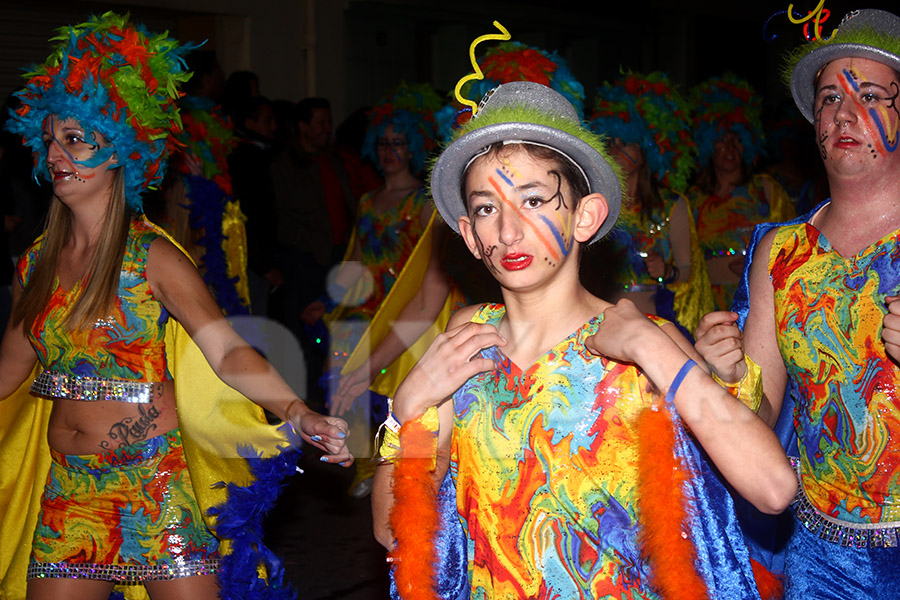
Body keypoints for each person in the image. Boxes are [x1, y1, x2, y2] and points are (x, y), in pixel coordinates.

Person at [370, 74, 797, 598]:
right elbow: (394, 531)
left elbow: (773, 489)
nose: (508, 232)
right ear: (469, 235)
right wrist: (406, 409)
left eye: (533, 200)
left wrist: (650, 348)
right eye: (486, 208)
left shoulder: (647, 345)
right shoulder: (467, 340)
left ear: (584, 216)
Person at [0, 13, 351, 600]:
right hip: (69, 496)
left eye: (77, 139)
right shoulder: (34, 264)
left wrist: (298, 411)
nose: (58, 153)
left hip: (152, 489)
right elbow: (11, 367)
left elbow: (228, 352)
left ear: (118, 152)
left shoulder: (152, 258)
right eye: (52, 138)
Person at [694, 9, 900, 599]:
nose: (845, 111)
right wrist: (728, 378)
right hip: (821, 563)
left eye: (871, 95)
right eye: (830, 95)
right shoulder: (780, 253)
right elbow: (760, 419)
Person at [311, 82, 463, 497]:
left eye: (398, 142)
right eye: (382, 142)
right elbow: (355, 260)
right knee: (354, 388)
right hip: (369, 307)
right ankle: (366, 468)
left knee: (400, 390)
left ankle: (398, 470)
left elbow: (428, 278)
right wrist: (328, 301)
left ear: (413, 146)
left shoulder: (426, 203)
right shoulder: (367, 200)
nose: (389, 150)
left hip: (407, 307)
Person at [587, 71, 712, 336]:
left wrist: (666, 270)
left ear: (647, 150)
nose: (616, 151)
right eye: (610, 143)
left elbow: (690, 273)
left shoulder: (671, 205)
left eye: (627, 143)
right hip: (602, 325)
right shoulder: (594, 206)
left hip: (656, 326)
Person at [687, 74, 794, 311]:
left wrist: (753, 262)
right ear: (708, 144)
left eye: (736, 139)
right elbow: (686, 261)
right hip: (709, 305)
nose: (729, 148)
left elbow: (792, 244)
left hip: (757, 302)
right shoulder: (695, 199)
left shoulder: (767, 190)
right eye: (721, 140)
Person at [270, 97, 356, 341]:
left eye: (329, 122)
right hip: (306, 261)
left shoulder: (333, 160)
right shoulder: (285, 165)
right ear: (303, 127)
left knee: (337, 330)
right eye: (321, 123)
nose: (327, 128)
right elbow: (292, 213)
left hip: (340, 257)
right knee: (306, 332)